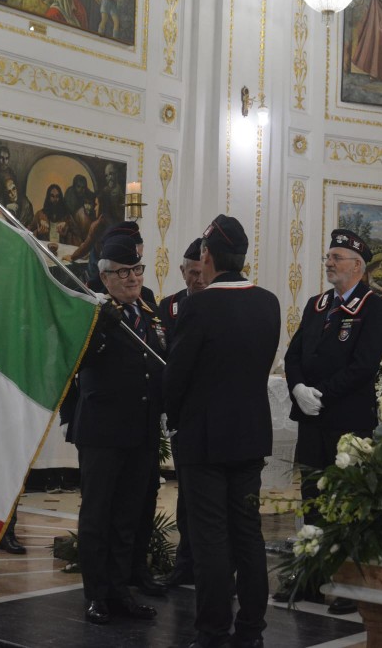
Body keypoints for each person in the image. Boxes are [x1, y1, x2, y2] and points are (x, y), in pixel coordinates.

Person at [163, 215, 281, 648]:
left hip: (205, 439)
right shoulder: (268, 303)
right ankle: (251, 629)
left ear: (208, 255)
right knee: (248, 534)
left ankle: (212, 630)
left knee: (210, 537)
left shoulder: (199, 306)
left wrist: (171, 414)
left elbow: (177, 376)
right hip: (250, 435)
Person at [278, 228, 382, 614]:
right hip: (312, 420)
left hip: (347, 421)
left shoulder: (374, 308)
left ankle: (349, 583)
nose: (328, 263)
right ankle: (311, 577)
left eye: (335, 258)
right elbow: (293, 355)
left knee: (348, 503)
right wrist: (297, 389)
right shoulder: (317, 304)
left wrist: (320, 393)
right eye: (328, 257)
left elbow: (364, 366)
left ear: (357, 266)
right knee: (312, 500)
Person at [60, 235, 166, 625]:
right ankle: (97, 595)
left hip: (141, 429)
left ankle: (121, 591)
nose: (133, 278)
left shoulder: (148, 310)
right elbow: (75, 361)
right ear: (105, 277)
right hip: (102, 432)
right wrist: (101, 331)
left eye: (137, 269)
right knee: (98, 515)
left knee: (128, 515)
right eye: (123, 272)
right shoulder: (91, 311)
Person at [156, 237, 206, 588]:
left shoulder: (219, 303)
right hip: (181, 414)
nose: (197, 279)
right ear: (181, 271)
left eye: (202, 272)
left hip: (208, 410)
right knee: (186, 493)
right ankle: (184, 562)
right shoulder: (169, 306)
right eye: (191, 273)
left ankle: (211, 566)